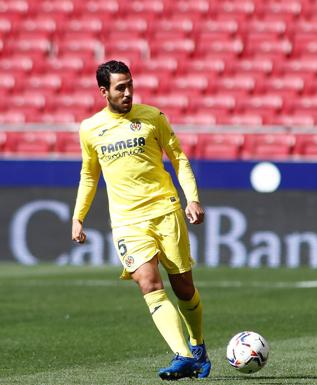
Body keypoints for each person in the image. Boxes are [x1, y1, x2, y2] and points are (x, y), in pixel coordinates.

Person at [71, 60, 211, 380]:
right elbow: (89, 176)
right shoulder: (90, 129)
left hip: (165, 210)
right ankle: (183, 355)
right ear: (104, 92)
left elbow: (179, 158)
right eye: (121, 87)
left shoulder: (153, 117)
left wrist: (193, 198)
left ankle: (197, 345)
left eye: (130, 85)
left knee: (184, 288)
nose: (128, 92)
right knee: (148, 282)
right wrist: (78, 218)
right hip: (127, 220)